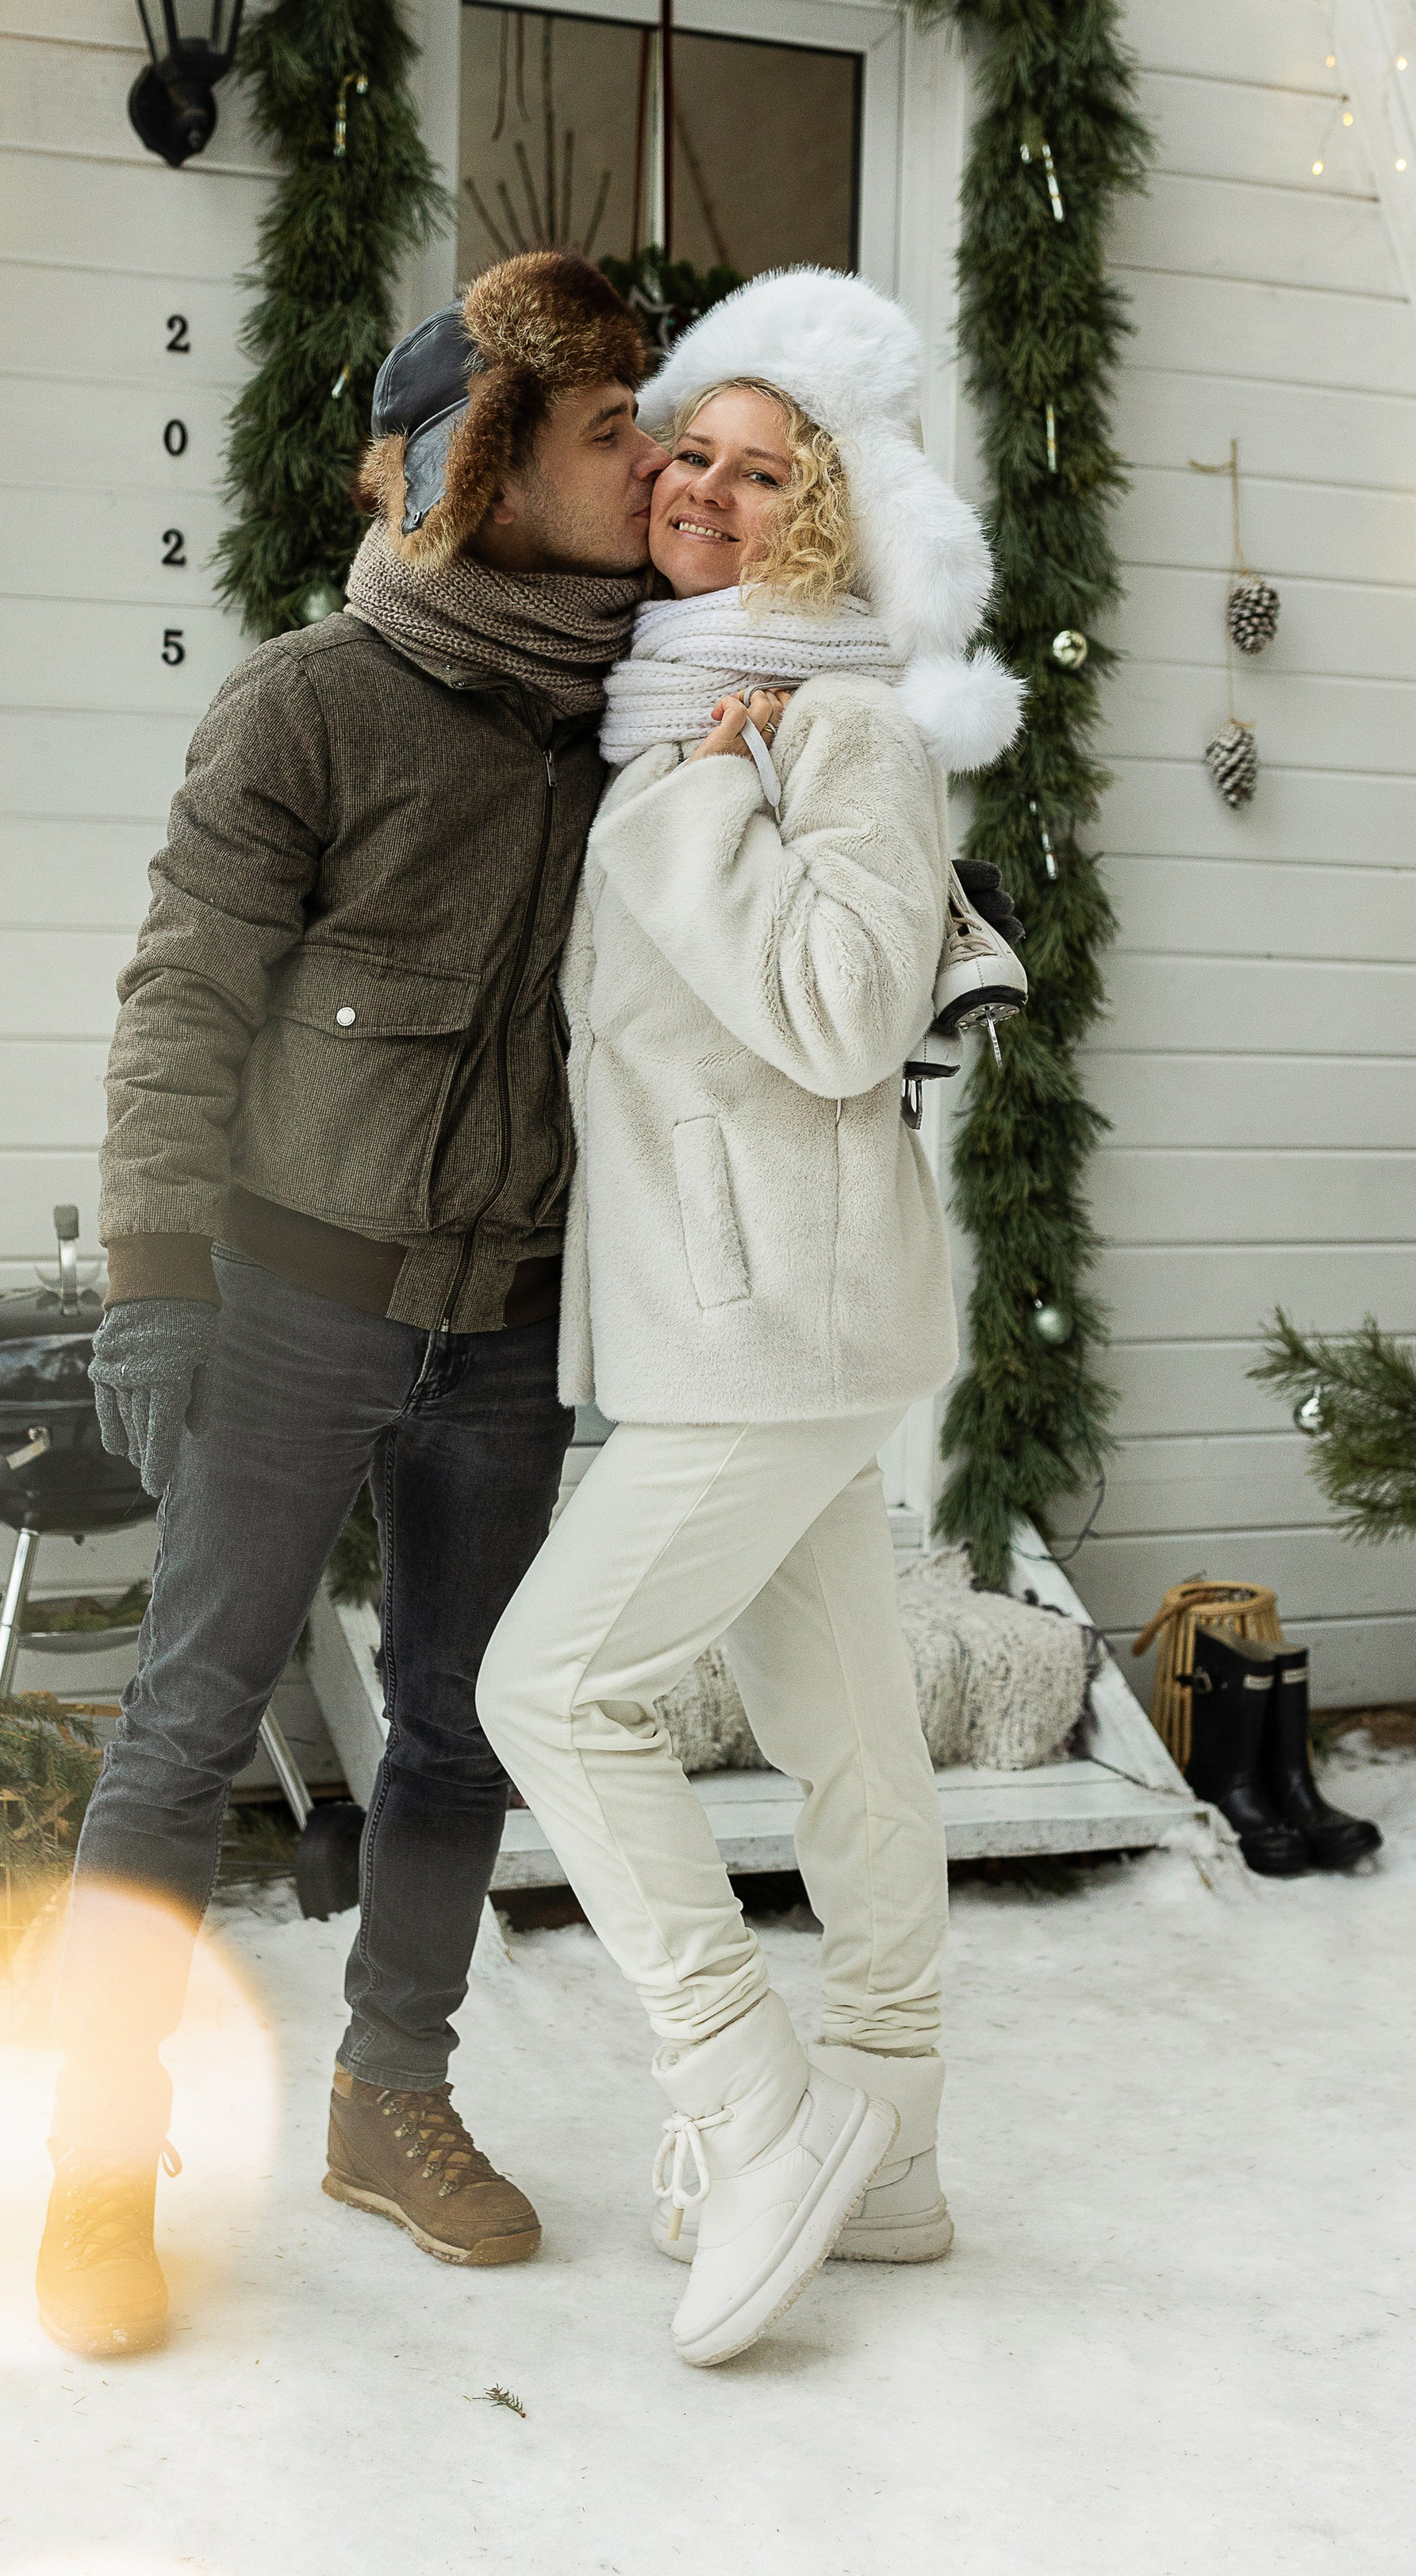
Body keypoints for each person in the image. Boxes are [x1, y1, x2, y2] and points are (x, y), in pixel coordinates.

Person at [36, 251, 664, 2358]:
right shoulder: (313, 699)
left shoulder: (636, 721)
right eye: (603, 428)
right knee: (184, 1726)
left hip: (505, 1320)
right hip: (288, 1305)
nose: (645, 455)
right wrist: (150, 1279)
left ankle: (392, 2095)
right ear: (486, 467)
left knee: (458, 1731)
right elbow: (181, 990)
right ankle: (97, 2155)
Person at [474, 266, 1025, 2370]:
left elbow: (837, 1010)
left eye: (755, 466)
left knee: (556, 1687)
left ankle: (751, 2098)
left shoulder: (837, 718)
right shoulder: (682, 701)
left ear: (823, 511)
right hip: (750, 1310)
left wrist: (707, 800)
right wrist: (684, 772)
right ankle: (884, 2147)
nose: (701, 484)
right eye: (684, 448)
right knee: (848, 1725)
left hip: (769, 1320)